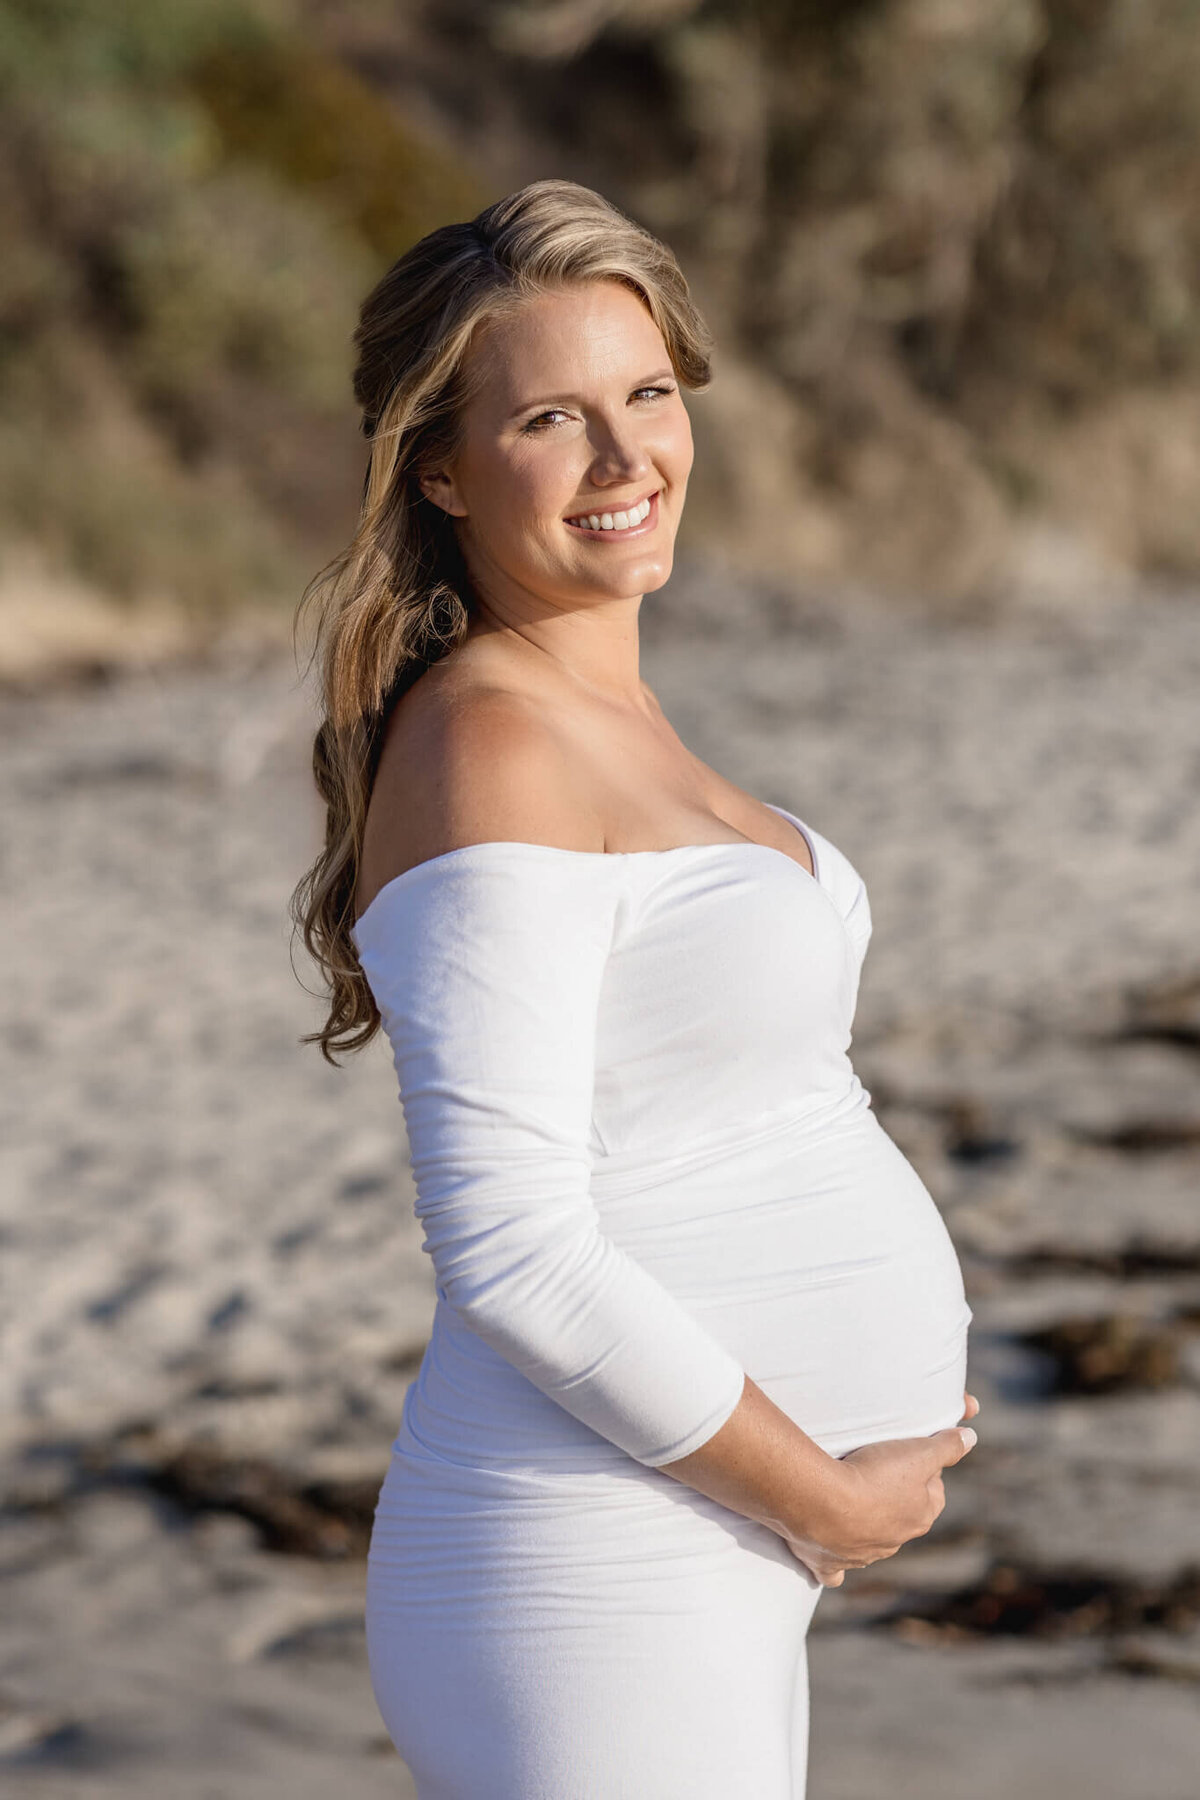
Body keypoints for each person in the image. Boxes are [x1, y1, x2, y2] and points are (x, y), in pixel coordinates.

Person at [292, 178, 979, 1800]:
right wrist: (814, 1493)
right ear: (443, 468)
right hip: (593, 1553)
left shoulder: (612, 720)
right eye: (553, 418)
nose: (627, 461)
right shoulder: (489, 741)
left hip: (698, 1537)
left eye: (648, 394)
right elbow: (513, 1246)